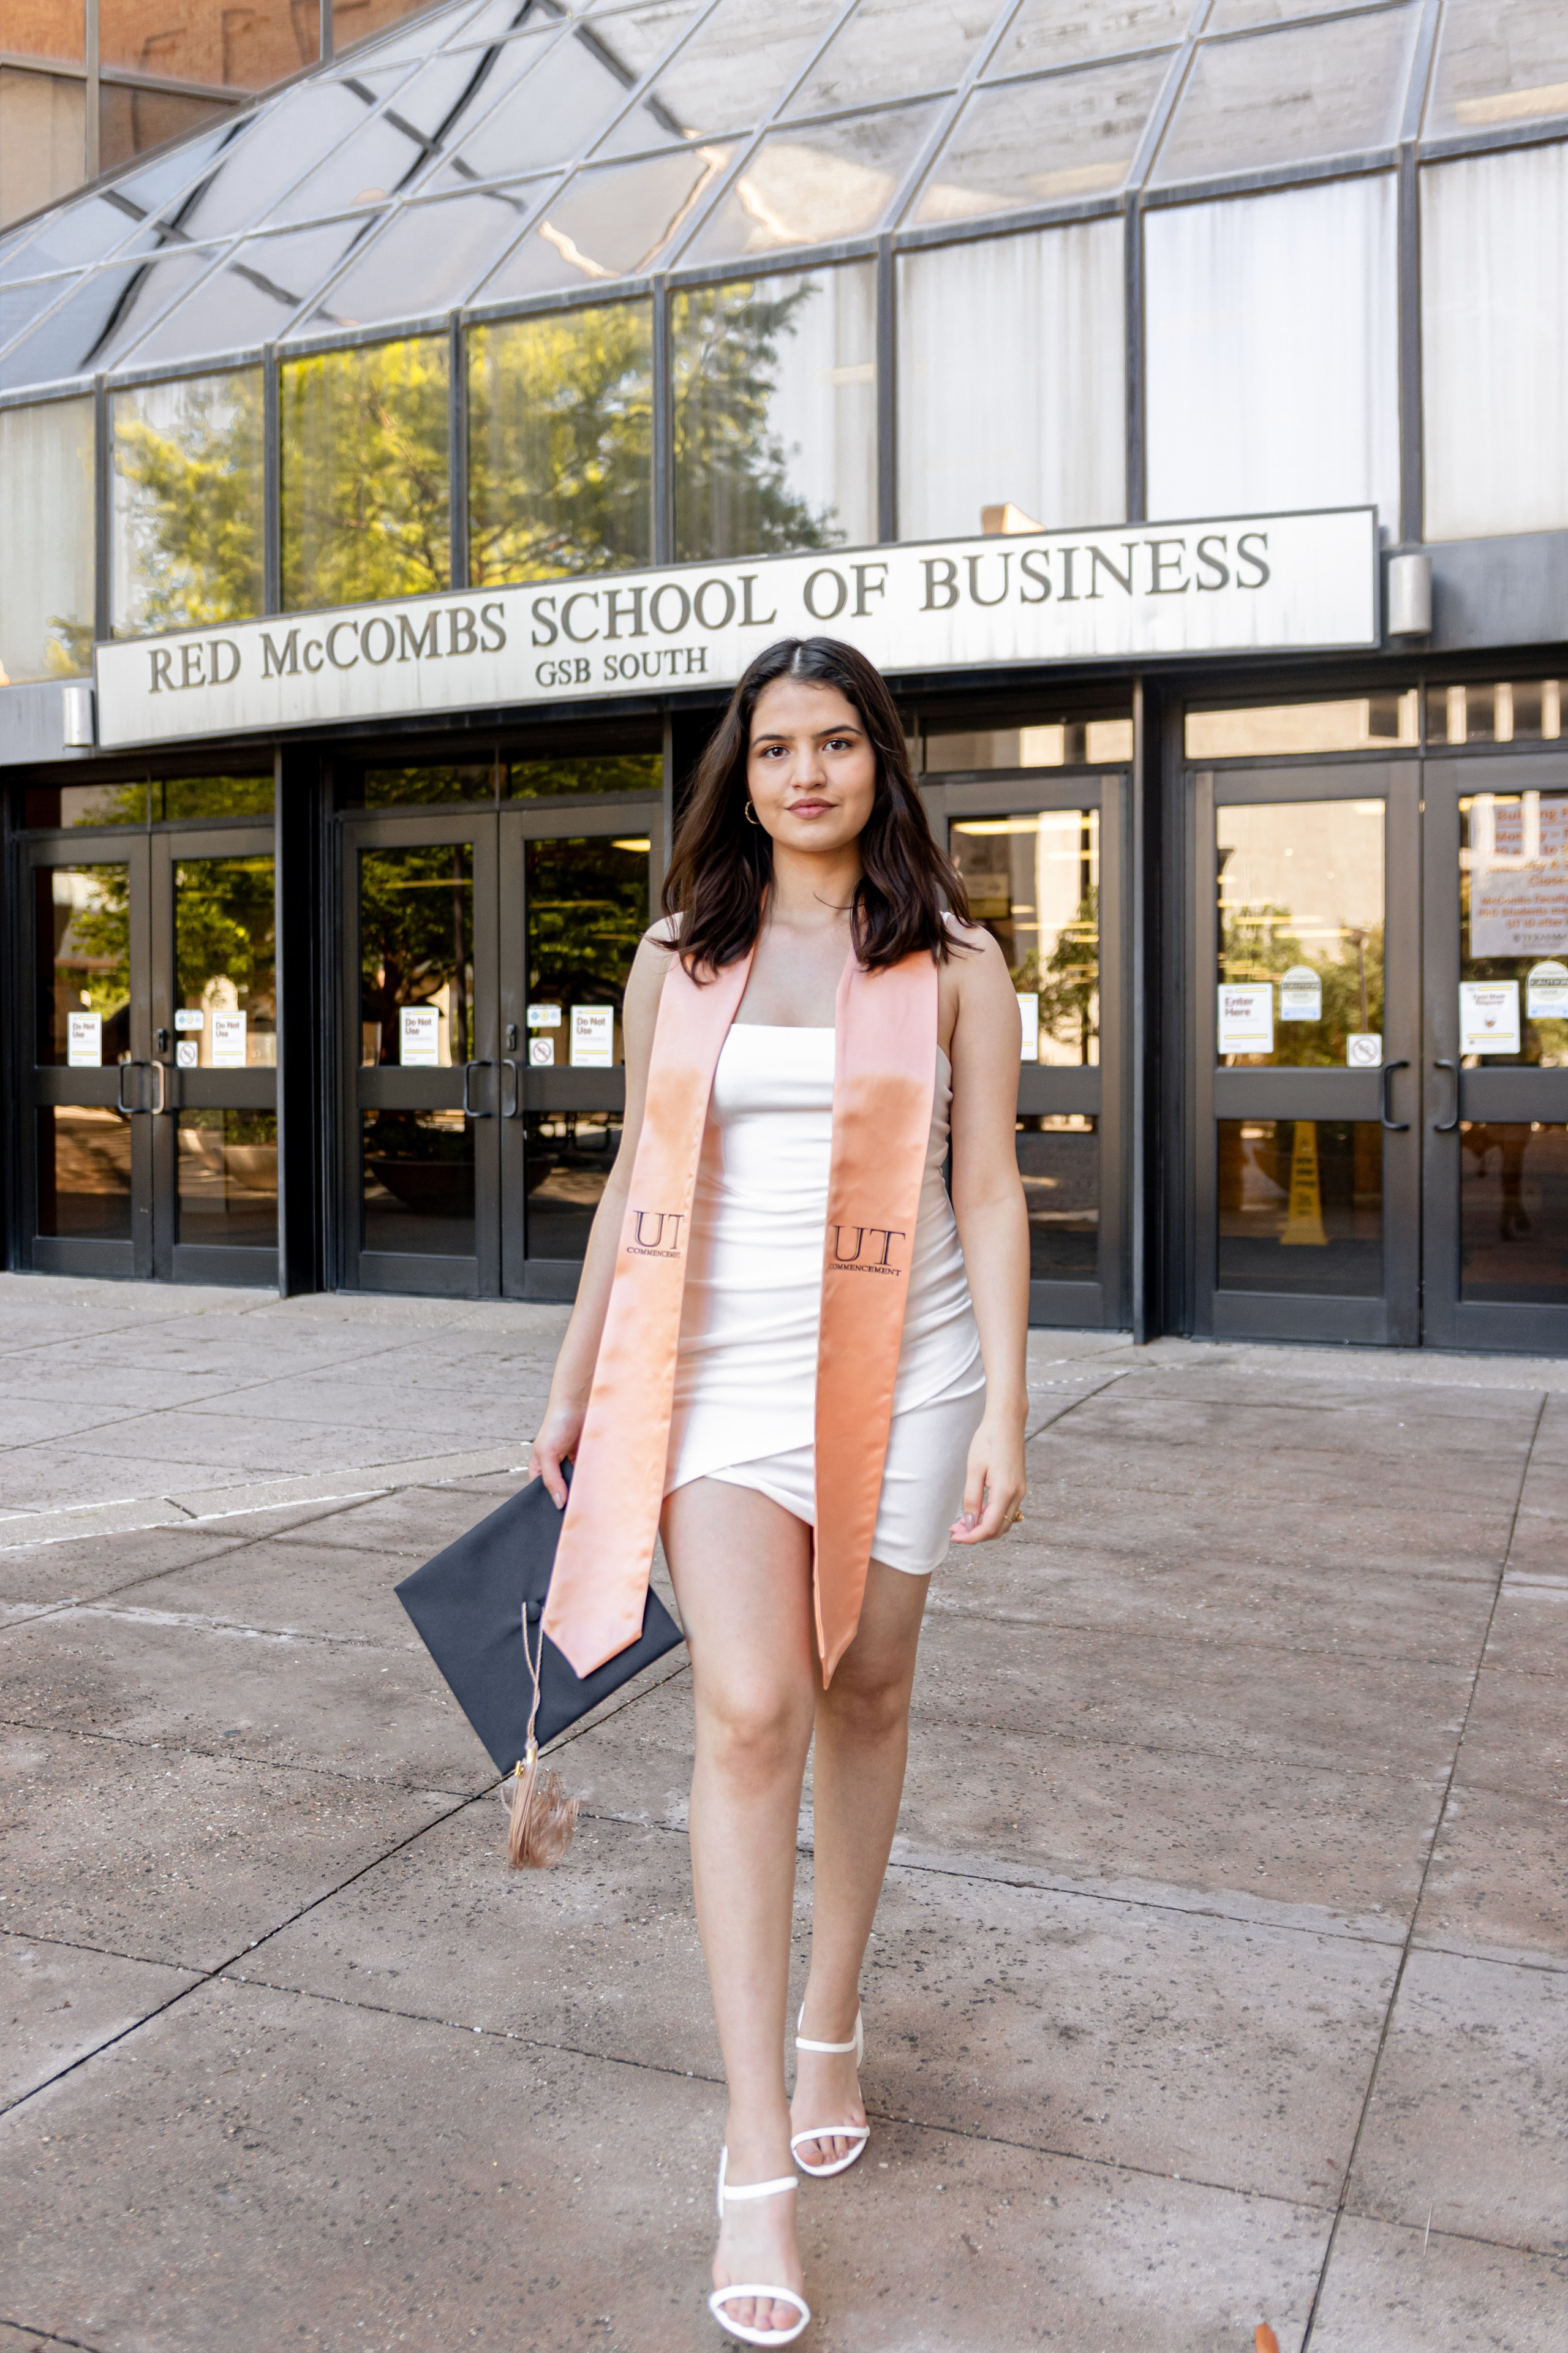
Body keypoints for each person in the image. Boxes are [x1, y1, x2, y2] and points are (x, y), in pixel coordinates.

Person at [530, 636, 1029, 2344]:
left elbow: (988, 1192)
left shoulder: (955, 960)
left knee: (868, 1685)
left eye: (833, 743)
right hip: (718, 1372)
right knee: (752, 1703)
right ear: (738, 779)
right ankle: (756, 2149)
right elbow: (628, 1183)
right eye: (772, 751)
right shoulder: (681, 953)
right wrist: (574, 1377)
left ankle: (834, 2012)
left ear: (880, 760)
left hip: (907, 1369)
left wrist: (1009, 1408)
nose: (803, 774)